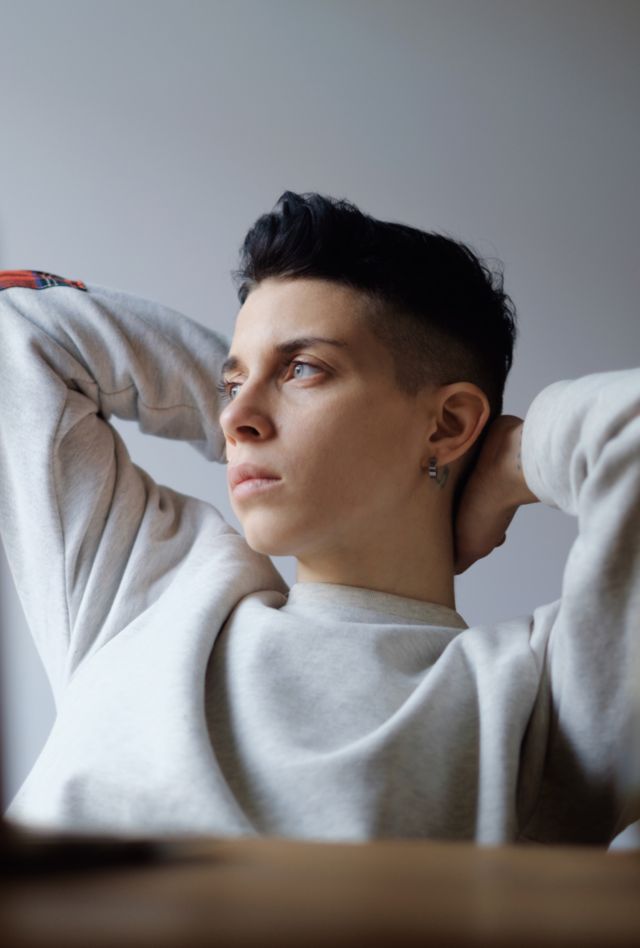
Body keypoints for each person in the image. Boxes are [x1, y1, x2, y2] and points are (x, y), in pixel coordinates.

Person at [0, 191, 638, 846]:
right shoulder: (145, 593)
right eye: (231, 384)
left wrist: (510, 463)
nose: (232, 418)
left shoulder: (542, 697)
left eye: (304, 368)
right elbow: (15, 324)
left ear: (447, 423)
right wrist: (267, 401)